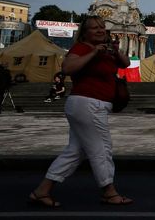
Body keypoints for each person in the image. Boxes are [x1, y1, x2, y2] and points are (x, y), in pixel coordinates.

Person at [28, 15, 132, 208]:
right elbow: (67, 68)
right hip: (88, 104)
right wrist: (93, 53)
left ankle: (42, 190)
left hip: (91, 105)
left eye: (102, 27)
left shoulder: (107, 50)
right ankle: (109, 192)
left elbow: (125, 64)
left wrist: (116, 52)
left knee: (75, 152)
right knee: (102, 148)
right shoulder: (82, 48)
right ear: (84, 32)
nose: (100, 30)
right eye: (95, 28)